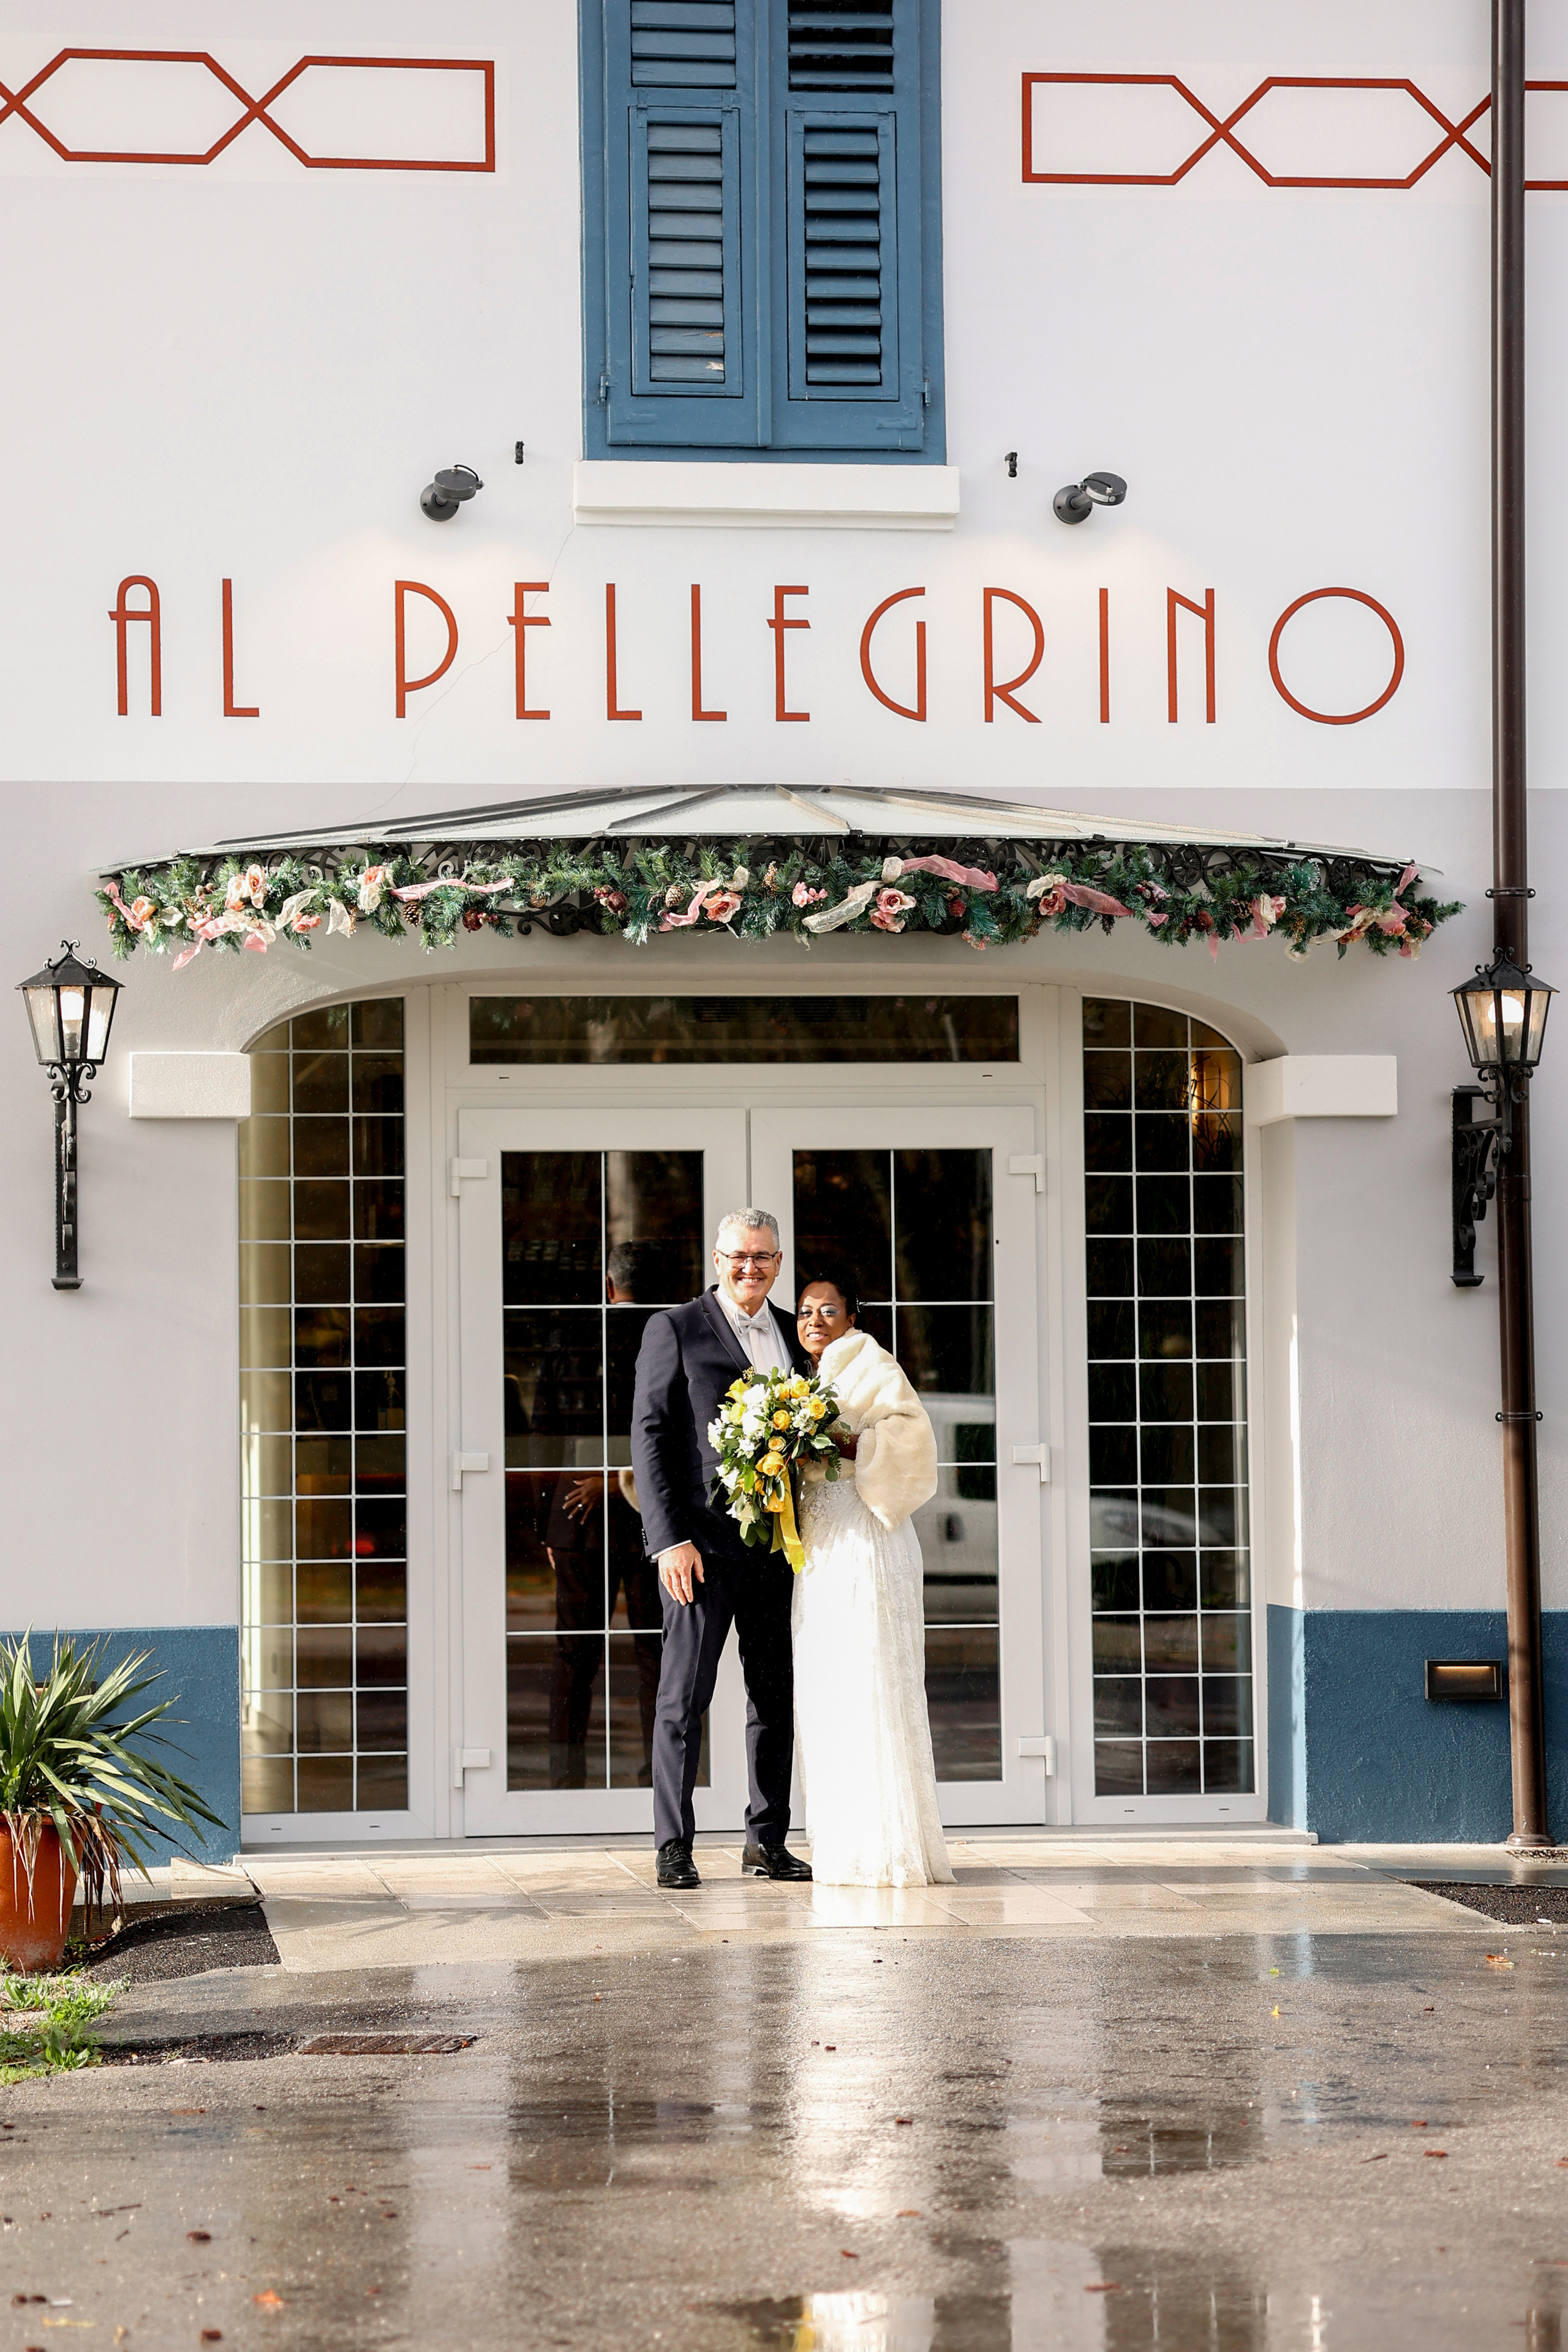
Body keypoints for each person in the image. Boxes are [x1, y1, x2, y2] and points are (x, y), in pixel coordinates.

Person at [630, 1210, 815, 1890]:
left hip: (773, 1551)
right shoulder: (674, 1328)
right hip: (698, 1553)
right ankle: (673, 1846)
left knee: (773, 1698)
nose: (751, 1268)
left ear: (778, 1261)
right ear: (716, 1260)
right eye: (739, 1256)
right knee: (683, 1700)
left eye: (763, 1257)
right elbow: (647, 1437)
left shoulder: (795, 1336)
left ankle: (765, 1839)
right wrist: (667, 1541)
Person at [792, 1270, 954, 1888]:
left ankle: (887, 1847)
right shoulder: (805, 1375)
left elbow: (910, 1436)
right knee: (830, 1687)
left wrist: (843, 1442)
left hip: (865, 1537)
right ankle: (844, 1842)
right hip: (823, 1546)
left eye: (827, 1310)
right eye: (805, 1310)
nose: (814, 1320)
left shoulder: (869, 1361)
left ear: (852, 1316)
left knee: (870, 1676)